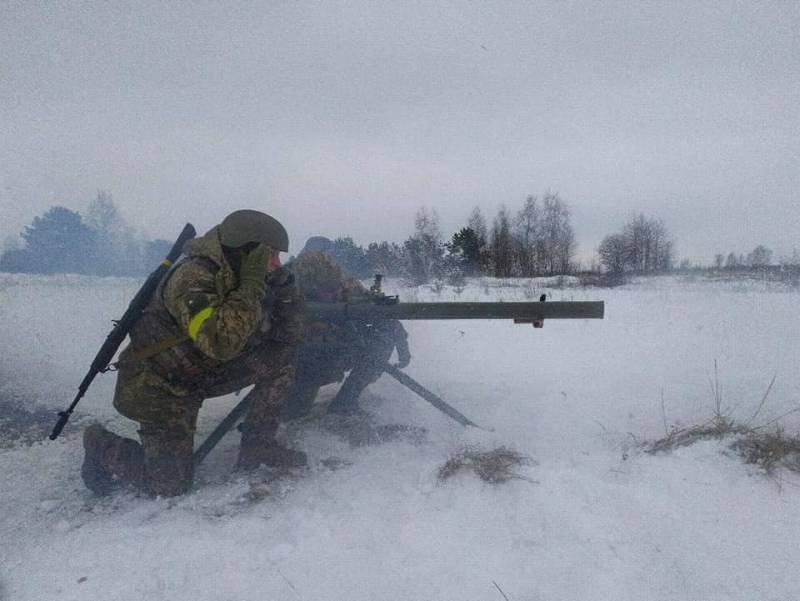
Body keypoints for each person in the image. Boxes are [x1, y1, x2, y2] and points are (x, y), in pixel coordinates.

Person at [81, 209, 306, 497]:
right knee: (168, 485)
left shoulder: (241, 274)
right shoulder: (193, 276)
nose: (276, 265)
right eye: (270, 255)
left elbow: (291, 336)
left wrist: (286, 292)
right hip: (161, 385)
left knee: (282, 357)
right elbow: (220, 342)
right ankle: (98, 443)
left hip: (204, 371)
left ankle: (258, 447)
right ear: (245, 252)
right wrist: (250, 288)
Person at [283, 238, 410, 418]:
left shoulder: (337, 280)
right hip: (301, 357)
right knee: (293, 412)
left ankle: (345, 402)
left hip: (319, 354)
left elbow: (372, 306)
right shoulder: (287, 280)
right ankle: (344, 402)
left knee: (381, 337)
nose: (322, 260)